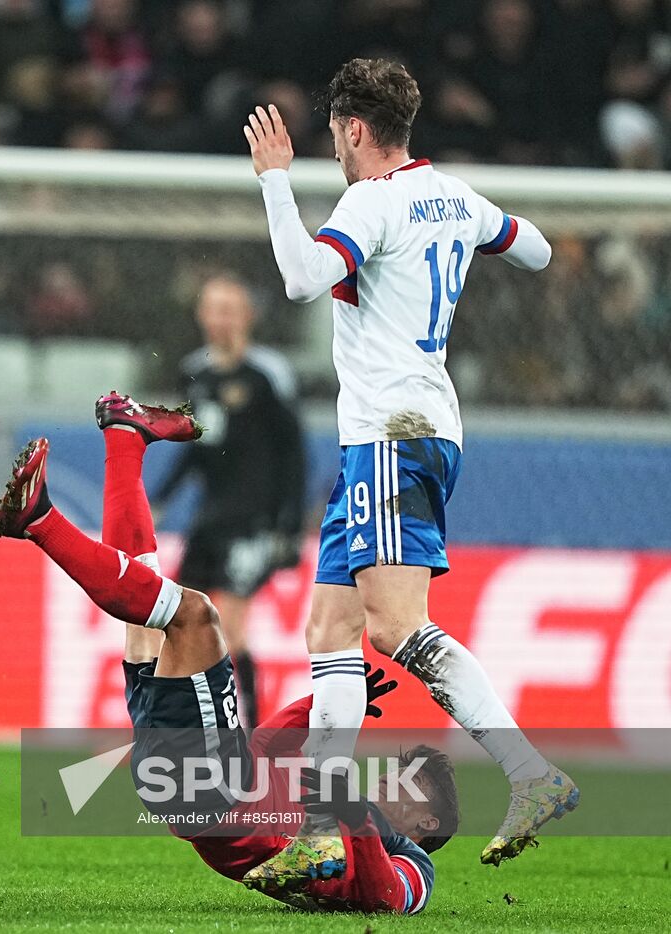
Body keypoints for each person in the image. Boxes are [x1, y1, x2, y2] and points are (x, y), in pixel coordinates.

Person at [240, 57, 575, 882]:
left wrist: (275, 183)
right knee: (331, 629)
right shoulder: (453, 195)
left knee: (393, 628)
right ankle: (320, 827)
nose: (334, 153)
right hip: (409, 430)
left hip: (392, 432)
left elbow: (299, 280)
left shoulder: (371, 199)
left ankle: (533, 773)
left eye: (333, 139)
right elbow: (531, 250)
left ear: (353, 129)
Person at [0, 393, 453, 914]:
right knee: (145, 627)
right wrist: (316, 711)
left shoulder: (411, 862)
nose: (388, 778)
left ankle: (40, 521)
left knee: (196, 617)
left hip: (219, 794)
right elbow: (267, 748)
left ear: (428, 822)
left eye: (406, 783)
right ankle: (125, 439)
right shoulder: (330, 805)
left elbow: (385, 897)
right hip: (210, 784)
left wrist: (348, 805)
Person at [158, 273, 305, 728]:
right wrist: (160, 498)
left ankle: (254, 732)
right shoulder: (195, 375)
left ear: (246, 316)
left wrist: (290, 525)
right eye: (212, 309)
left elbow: (293, 452)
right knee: (180, 623)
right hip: (210, 520)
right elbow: (195, 448)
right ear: (201, 315)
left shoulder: (267, 376)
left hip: (254, 521)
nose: (219, 319)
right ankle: (177, 730)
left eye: (229, 309)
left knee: (232, 628)